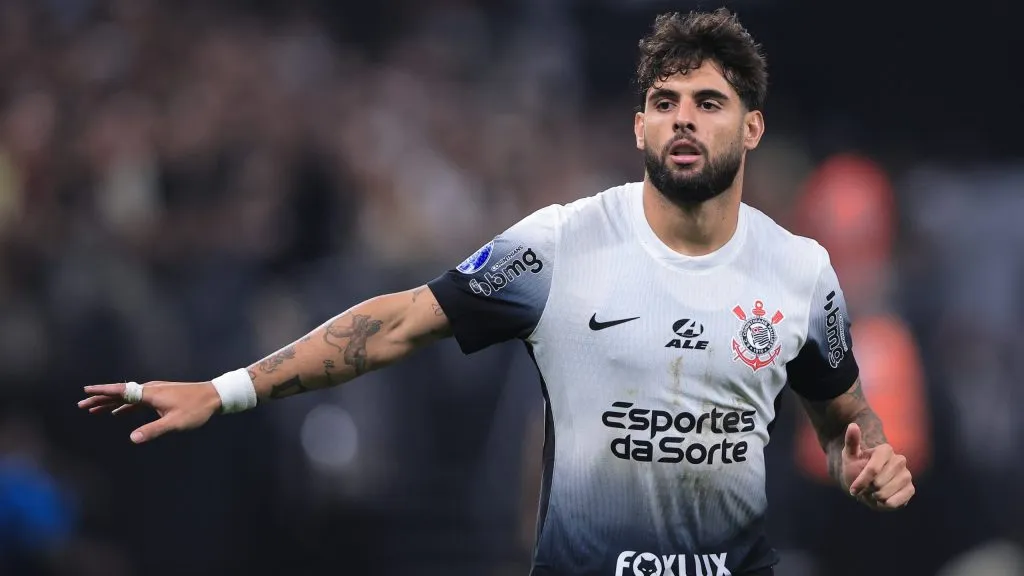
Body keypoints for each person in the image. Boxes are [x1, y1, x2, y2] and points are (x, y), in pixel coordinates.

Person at [78, 9, 915, 576]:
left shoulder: (801, 273)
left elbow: (847, 426)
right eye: (665, 103)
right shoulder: (559, 245)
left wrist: (868, 467)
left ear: (752, 126)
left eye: (708, 102)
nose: (684, 120)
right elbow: (399, 321)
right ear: (639, 127)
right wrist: (227, 391)